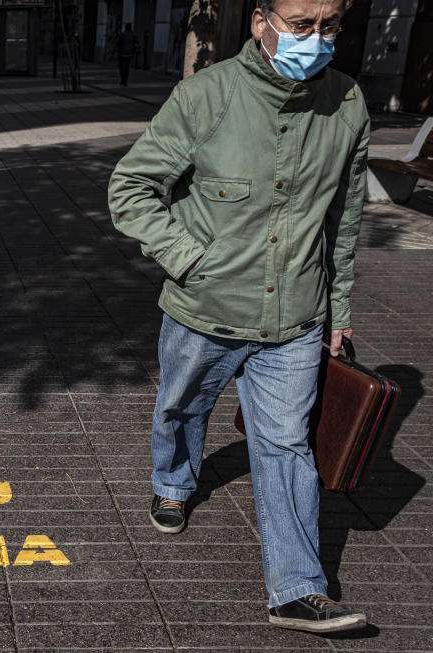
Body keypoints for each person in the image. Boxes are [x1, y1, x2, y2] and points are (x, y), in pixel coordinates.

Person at [107, 0, 370, 634]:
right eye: (301, 24)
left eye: (329, 25)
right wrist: (190, 259)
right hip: (205, 310)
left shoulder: (348, 104)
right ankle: (172, 482)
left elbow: (345, 223)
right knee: (180, 407)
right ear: (261, 23)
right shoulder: (206, 96)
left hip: (297, 320)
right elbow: (130, 189)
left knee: (285, 445)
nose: (317, 37)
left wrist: (339, 312)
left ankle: (296, 589)